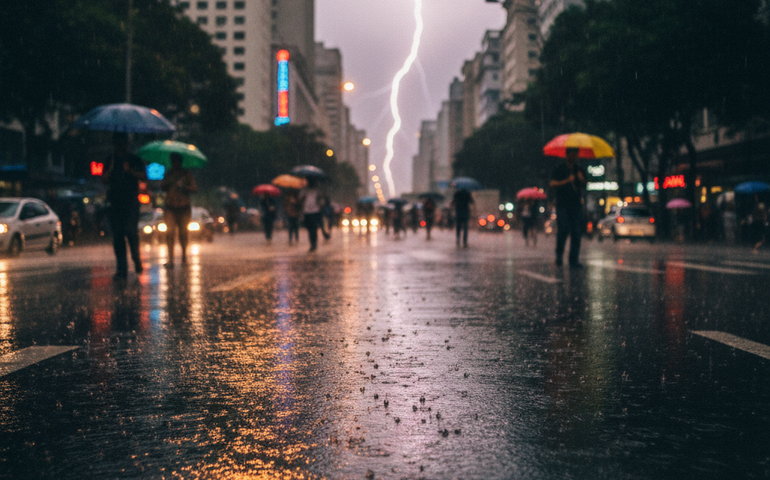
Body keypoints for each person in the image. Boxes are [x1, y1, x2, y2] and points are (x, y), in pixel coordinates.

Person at [102, 132, 145, 280]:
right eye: (117, 142)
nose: (119, 145)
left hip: (131, 202)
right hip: (115, 203)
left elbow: (144, 176)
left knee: (131, 232)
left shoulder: (134, 159)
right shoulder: (110, 160)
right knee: (118, 236)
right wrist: (110, 171)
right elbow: (104, 180)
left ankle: (136, 259)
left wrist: (130, 171)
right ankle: (122, 269)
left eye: (122, 142)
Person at [550, 147, 587, 267]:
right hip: (562, 205)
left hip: (576, 204)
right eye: (571, 154)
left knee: (576, 232)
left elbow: (585, 184)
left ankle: (573, 260)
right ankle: (559, 256)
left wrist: (581, 179)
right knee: (563, 230)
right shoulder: (559, 169)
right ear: (566, 155)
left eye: (575, 154)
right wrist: (567, 180)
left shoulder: (579, 169)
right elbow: (552, 183)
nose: (574, 157)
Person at [161, 152, 197, 267]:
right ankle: (170, 260)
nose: (175, 163)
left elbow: (194, 188)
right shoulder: (169, 174)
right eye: (173, 161)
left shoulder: (187, 174)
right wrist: (170, 182)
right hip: (170, 207)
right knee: (170, 233)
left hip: (184, 208)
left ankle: (184, 257)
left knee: (183, 233)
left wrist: (184, 186)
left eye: (176, 161)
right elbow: (162, 186)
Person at [299, 177, 324, 251]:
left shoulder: (317, 190)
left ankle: (314, 244)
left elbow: (321, 199)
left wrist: (320, 203)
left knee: (314, 228)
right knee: (310, 229)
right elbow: (300, 198)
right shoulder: (305, 190)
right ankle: (312, 243)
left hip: (315, 211)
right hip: (307, 211)